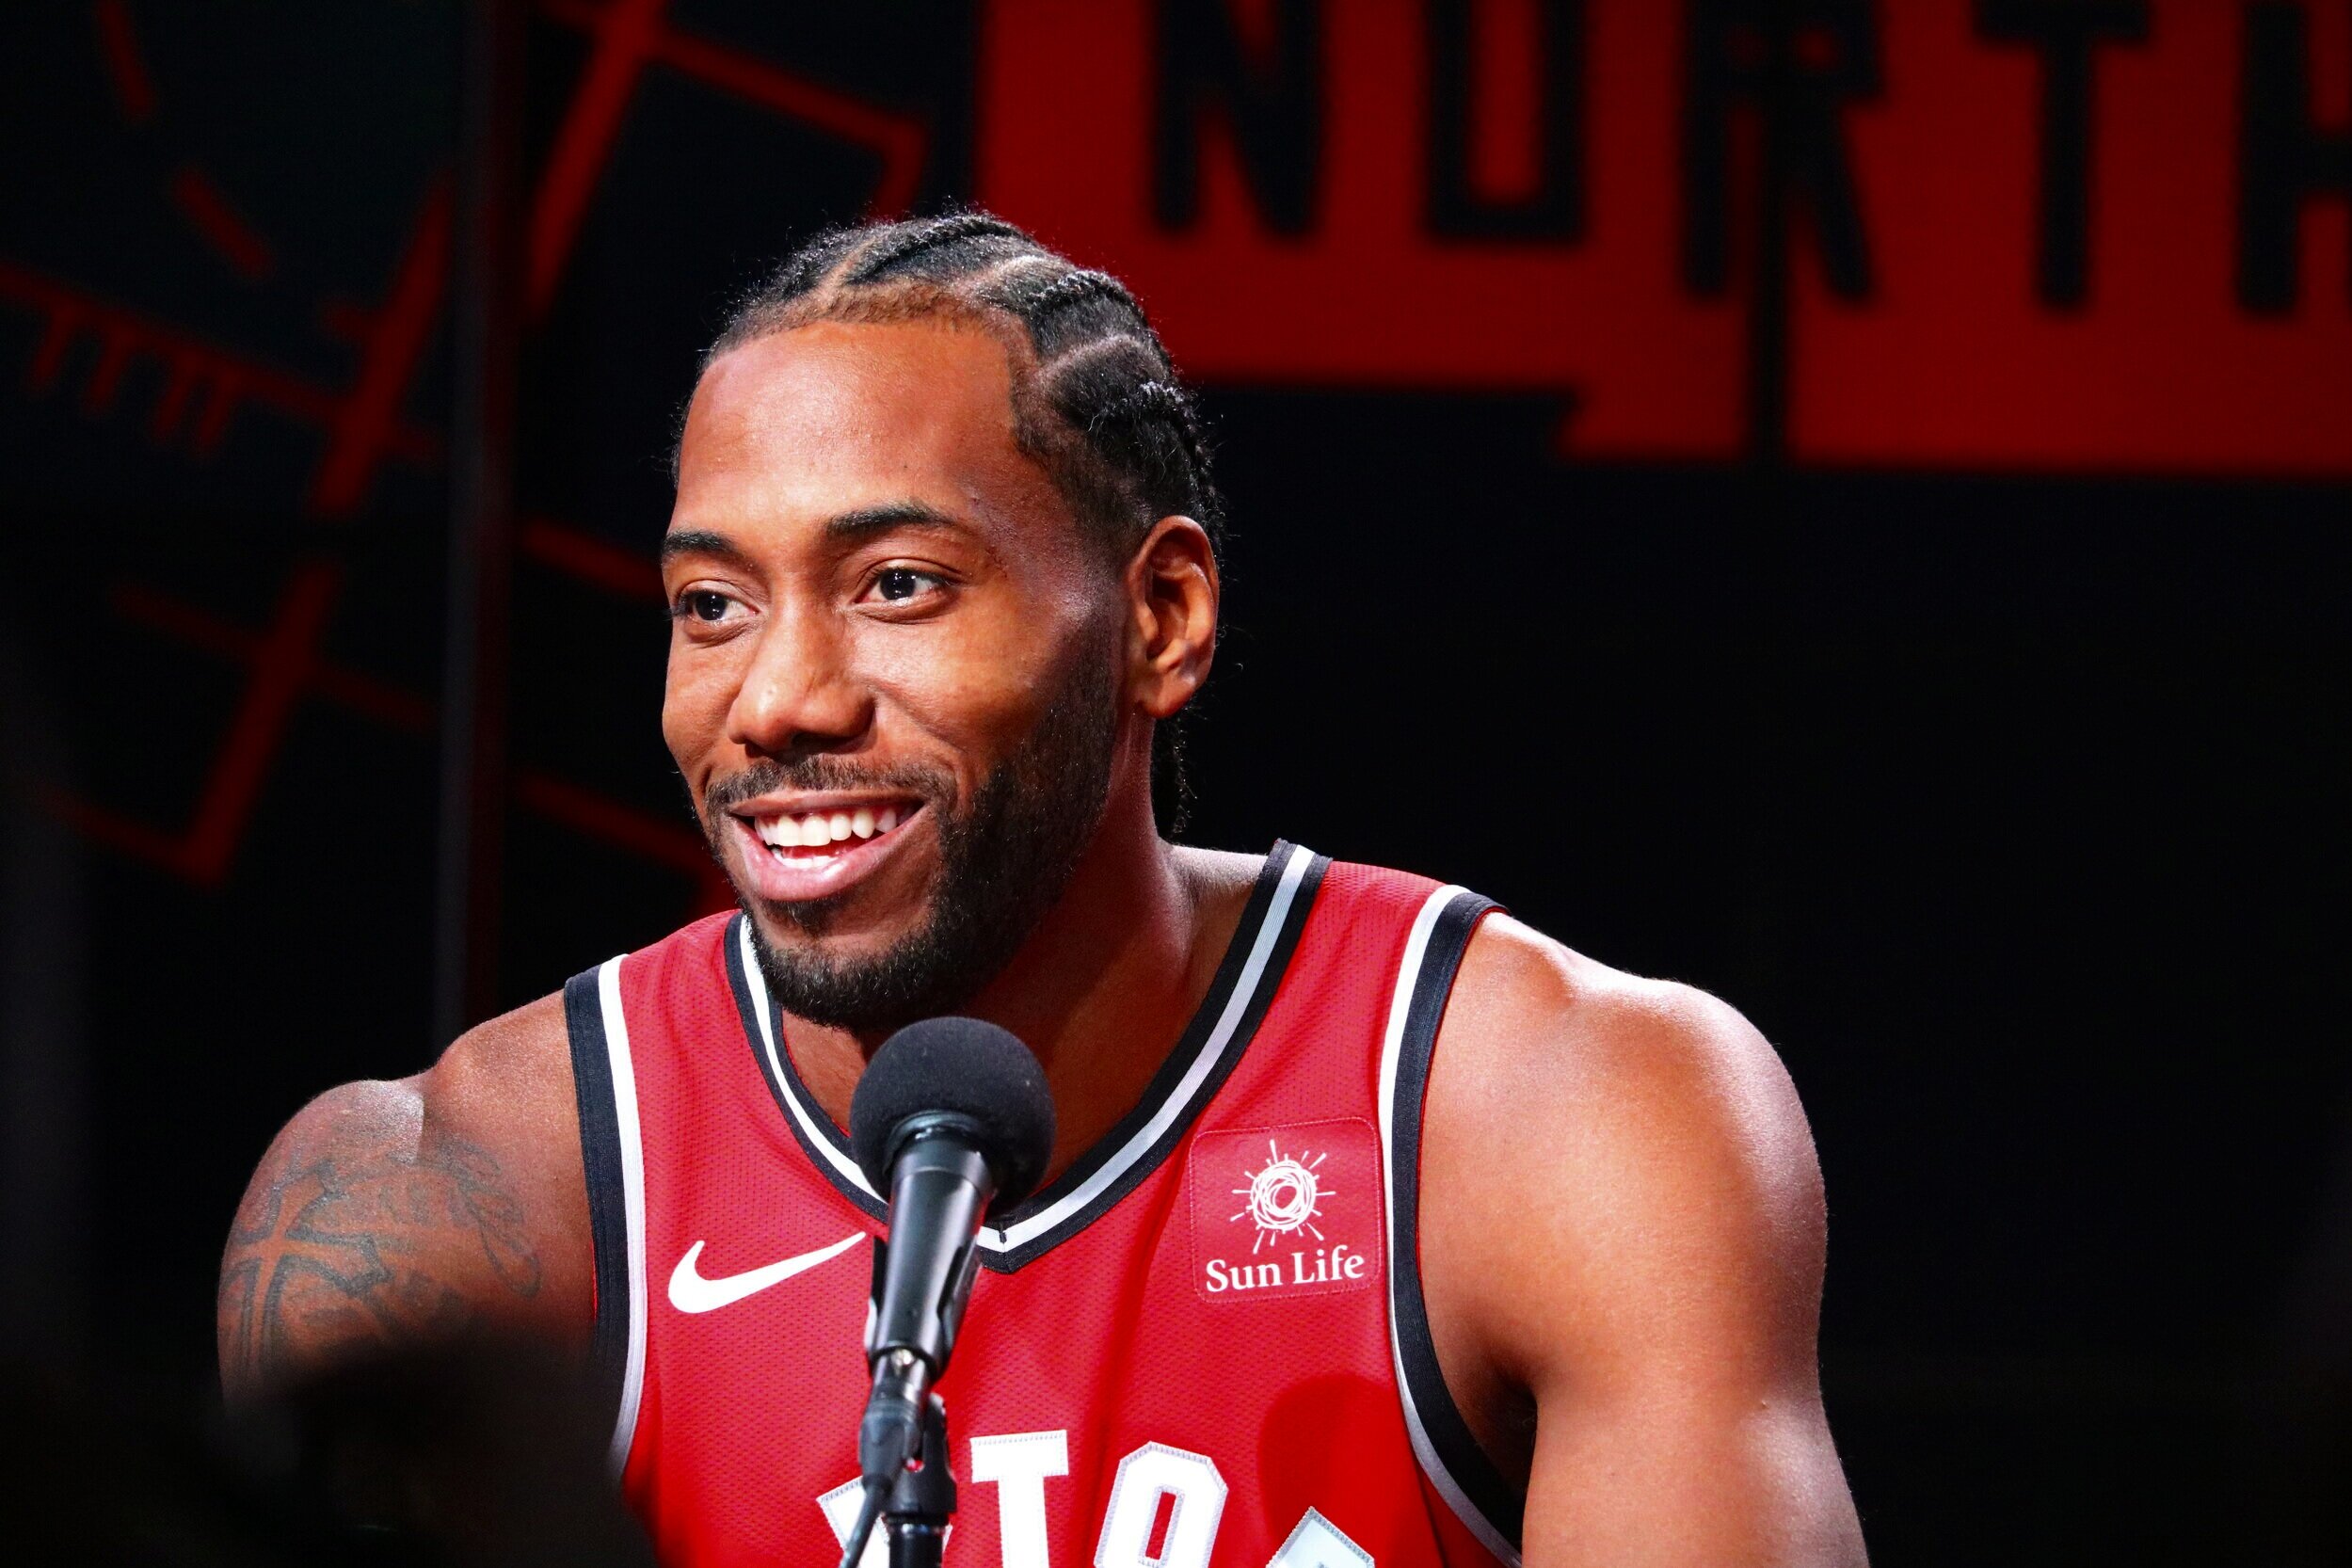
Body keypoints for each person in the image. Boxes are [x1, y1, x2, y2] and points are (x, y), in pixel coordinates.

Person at [219, 212, 1866, 1568]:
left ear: (1160, 619)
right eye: (712, 603)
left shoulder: (1550, 1113)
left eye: (900, 584)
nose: (782, 697)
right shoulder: (461, 1197)